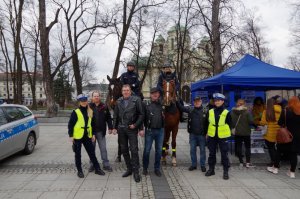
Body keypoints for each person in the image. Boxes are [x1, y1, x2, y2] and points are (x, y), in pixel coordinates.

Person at [112, 84, 144, 182]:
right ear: (122, 92)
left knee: (134, 150)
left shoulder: (136, 100)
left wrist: (137, 126)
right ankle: (129, 168)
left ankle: (136, 171)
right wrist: (114, 127)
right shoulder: (118, 101)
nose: (126, 92)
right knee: (124, 150)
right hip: (121, 129)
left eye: (127, 90)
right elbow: (116, 115)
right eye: (124, 90)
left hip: (132, 128)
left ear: (130, 91)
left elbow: (141, 114)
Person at [68, 94, 105, 178]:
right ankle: (79, 171)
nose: (84, 102)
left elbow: (92, 124)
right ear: (79, 102)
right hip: (78, 136)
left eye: (85, 100)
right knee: (78, 154)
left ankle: (97, 169)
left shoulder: (90, 111)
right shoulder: (76, 112)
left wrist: (93, 134)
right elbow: (71, 124)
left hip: (87, 135)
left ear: (87, 101)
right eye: (82, 101)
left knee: (92, 153)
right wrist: (71, 135)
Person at [267, 96, 300, 178]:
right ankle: (292, 172)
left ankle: (275, 168)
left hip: (285, 135)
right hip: (297, 137)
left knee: (279, 151)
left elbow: (280, 123)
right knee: (294, 154)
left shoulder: (285, 111)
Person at [177, 96, 208, 172]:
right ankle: (193, 165)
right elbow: (181, 108)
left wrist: (207, 133)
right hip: (193, 134)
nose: (197, 103)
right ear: (193, 102)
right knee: (192, 150)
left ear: (201, 102)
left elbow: (209, 123)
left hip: (202, 134)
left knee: (202, 151)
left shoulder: (205, 111)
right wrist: (177, 100)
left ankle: (203, 165)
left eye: (198, 101)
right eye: (195, 101)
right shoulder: (191, 109)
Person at [205, 93, 231, 180]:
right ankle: (211, 169)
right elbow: (207, 123)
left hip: (222, 136)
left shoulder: (227, 112)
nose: (217, 102)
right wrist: (207, 133)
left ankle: (225, 171)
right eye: (215, 101)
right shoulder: (210, 111)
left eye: (219, 101)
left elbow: (230, 124)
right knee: (211, 154)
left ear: (223, 101)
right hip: (212, 135)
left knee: (224, 154)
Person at [88, 91, 113, 172]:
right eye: (94, 96)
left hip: (101, 132)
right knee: (91, 149)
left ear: (100, 97)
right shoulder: (89, 107)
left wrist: (110, 127)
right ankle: (92, 164)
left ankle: (106, 164)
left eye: (97, 96)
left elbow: (109, 118)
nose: (96, 97)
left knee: (103, 149)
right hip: (91, 132)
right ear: (92, 97)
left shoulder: (104, 106)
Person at [142, 87, 164, 177]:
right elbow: (141, 117)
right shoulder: (146, 105)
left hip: (160, 131)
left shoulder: (163, 105)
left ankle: (157, 168)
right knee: (147, 150)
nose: (155, 94)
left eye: (157, 93)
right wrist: (140, 129)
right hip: (150, 131)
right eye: (153, 93)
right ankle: (145, 168)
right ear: (150, 95)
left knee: (159, 151)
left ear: (159, 94)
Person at [230, 99, 255, 168]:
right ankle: (247, 163)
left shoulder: (232, 112)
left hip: (237, 133)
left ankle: (241, 162)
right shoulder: (247, 112)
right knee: (247, 147)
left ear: (237, 104)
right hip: (246, 132)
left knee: (238, 147)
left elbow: (231, 123)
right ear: (244, 104)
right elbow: (251, 122)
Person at [259, 98, 282, 167]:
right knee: (277, 148)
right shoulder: (281, 110)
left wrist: (260, 122)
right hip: (279, 132)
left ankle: (274, 162)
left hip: (270, 133)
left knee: (271, 148)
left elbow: (263, 123)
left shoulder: (266, 111)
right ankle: (277, 161)